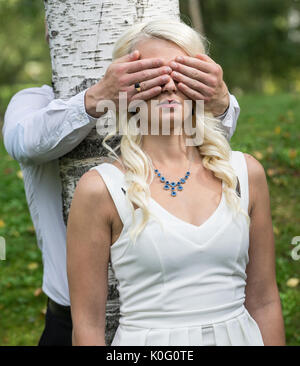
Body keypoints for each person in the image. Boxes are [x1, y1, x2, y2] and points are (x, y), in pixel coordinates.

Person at [1, 20, 239, 346]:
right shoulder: (33, 102)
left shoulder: (166, 104)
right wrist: (99, 97)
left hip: (173, 320)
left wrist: (220, 103)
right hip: (73, 321)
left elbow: (200, 149)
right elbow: (24, 142)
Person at [67, 18, 285, 346]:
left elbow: (265, 301)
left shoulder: (244, 174)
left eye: (181, 74)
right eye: (152, 76)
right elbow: (87, 326)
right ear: (126, 89)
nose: (169, 86)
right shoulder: (102, 189)